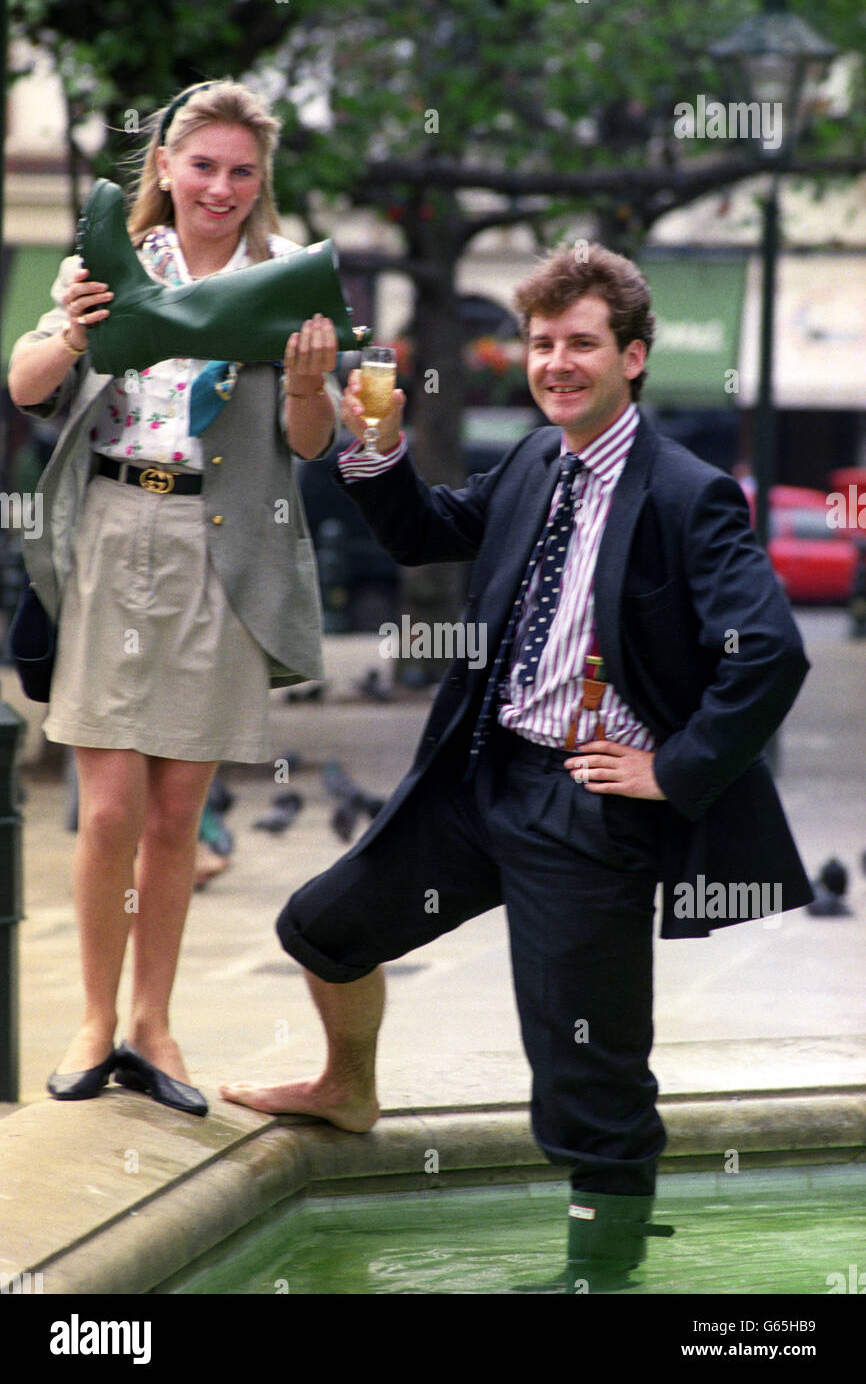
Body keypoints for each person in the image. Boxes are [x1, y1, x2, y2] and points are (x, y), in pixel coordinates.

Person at [220, 244, 812, 1287]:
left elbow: (764, 650)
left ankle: (603, 1272)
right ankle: (345, 1087)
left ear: (631, 357)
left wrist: (671, 771)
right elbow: (426, 533)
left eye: (580, 344)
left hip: (588, 807)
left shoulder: (688, 492)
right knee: (320, 927)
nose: (555, 363)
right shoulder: (538, 461)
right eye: (541, 344)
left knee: (584, 1065)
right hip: (484, 779)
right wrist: (377, 445)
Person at [9, 80, 339, 1116]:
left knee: (174, 816)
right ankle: (94, 1020)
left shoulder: (281, 282)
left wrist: (303, 380)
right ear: (163, 167)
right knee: (104, 808)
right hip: (112, 530)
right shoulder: (111, 266)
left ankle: (154, 1023)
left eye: (242, 171)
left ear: (260, 182)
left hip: (219, 542)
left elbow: (310, 444)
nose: (221, 187)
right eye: (202, 166)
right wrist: (67, 328)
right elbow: (24, 384)